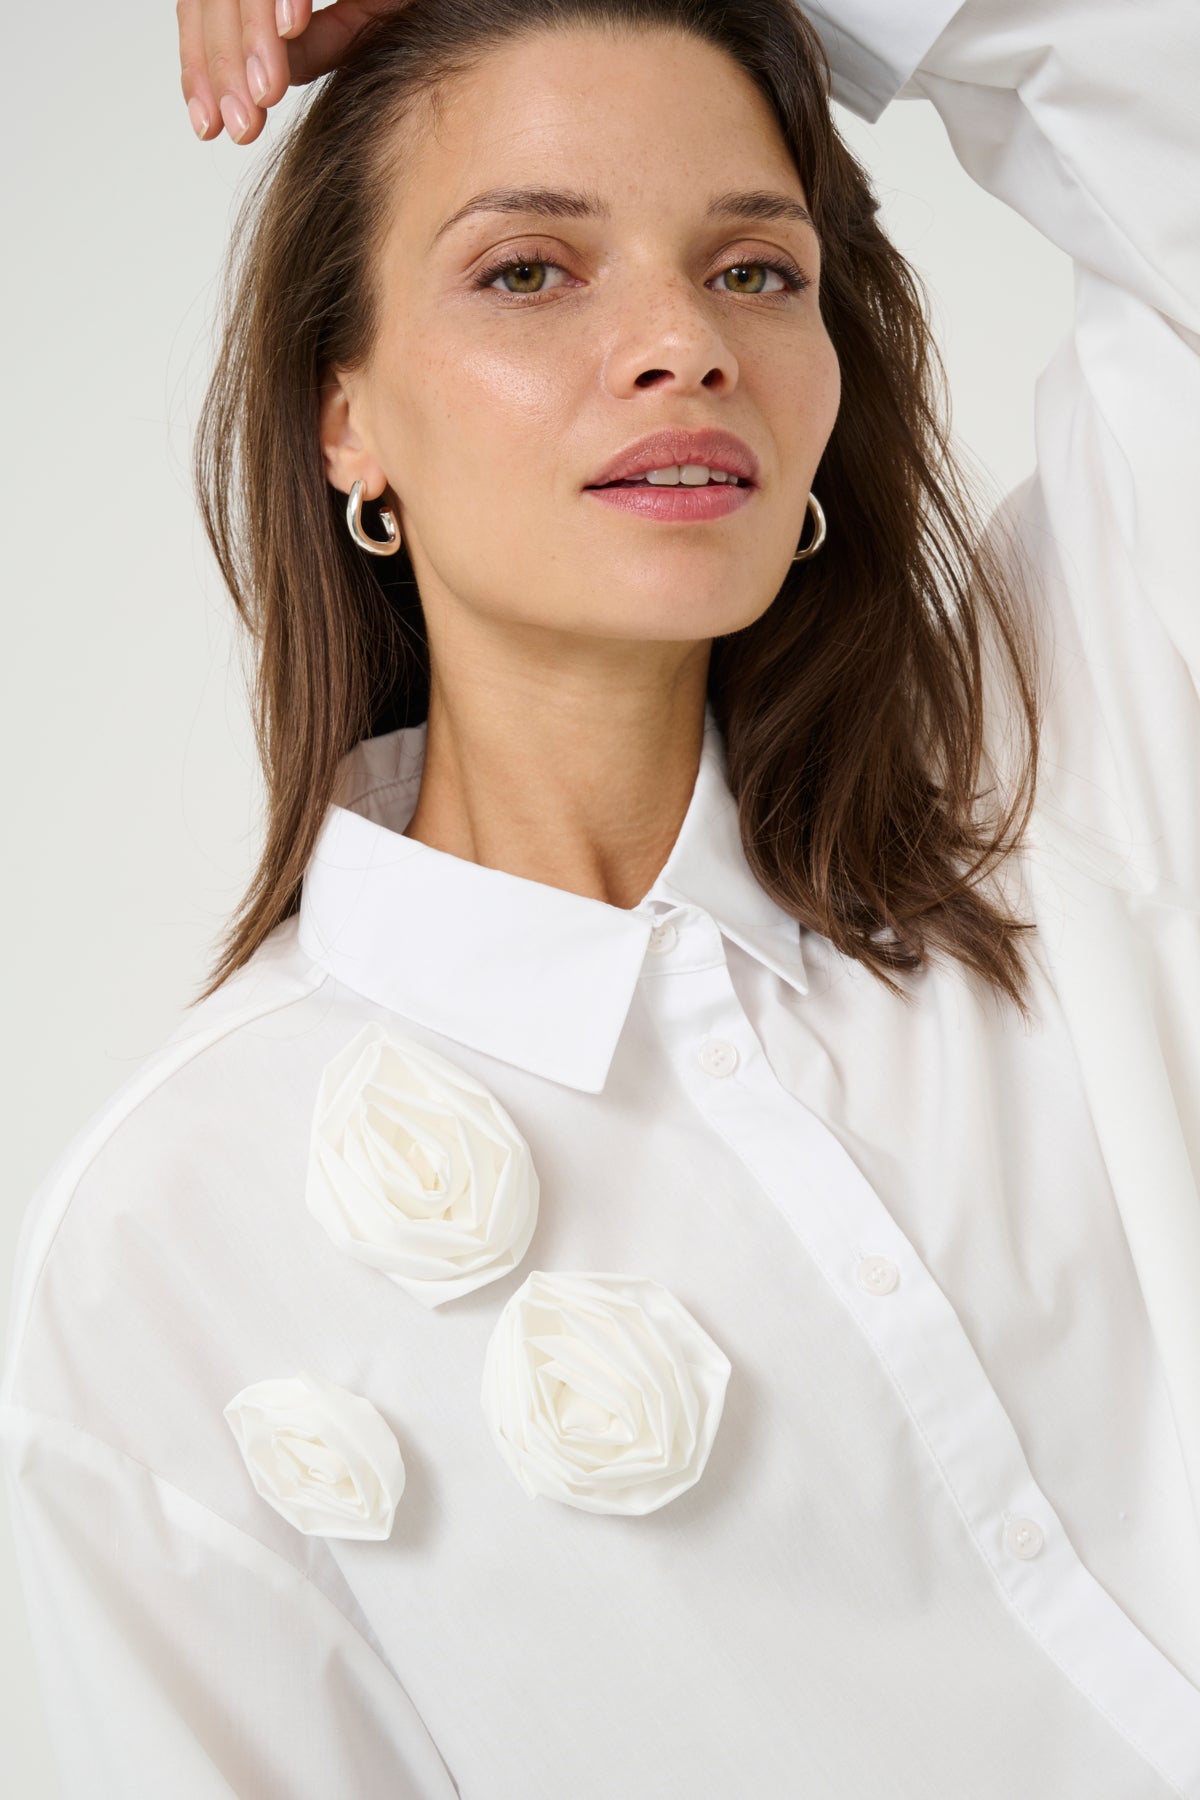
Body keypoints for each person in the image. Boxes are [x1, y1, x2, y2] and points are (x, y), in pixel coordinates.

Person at [3, 0, 1199, 1793]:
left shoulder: (1055, 765)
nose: (683, 346)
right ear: (344, 415)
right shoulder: (171, 1243)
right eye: (530, 273)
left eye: (754, 270)